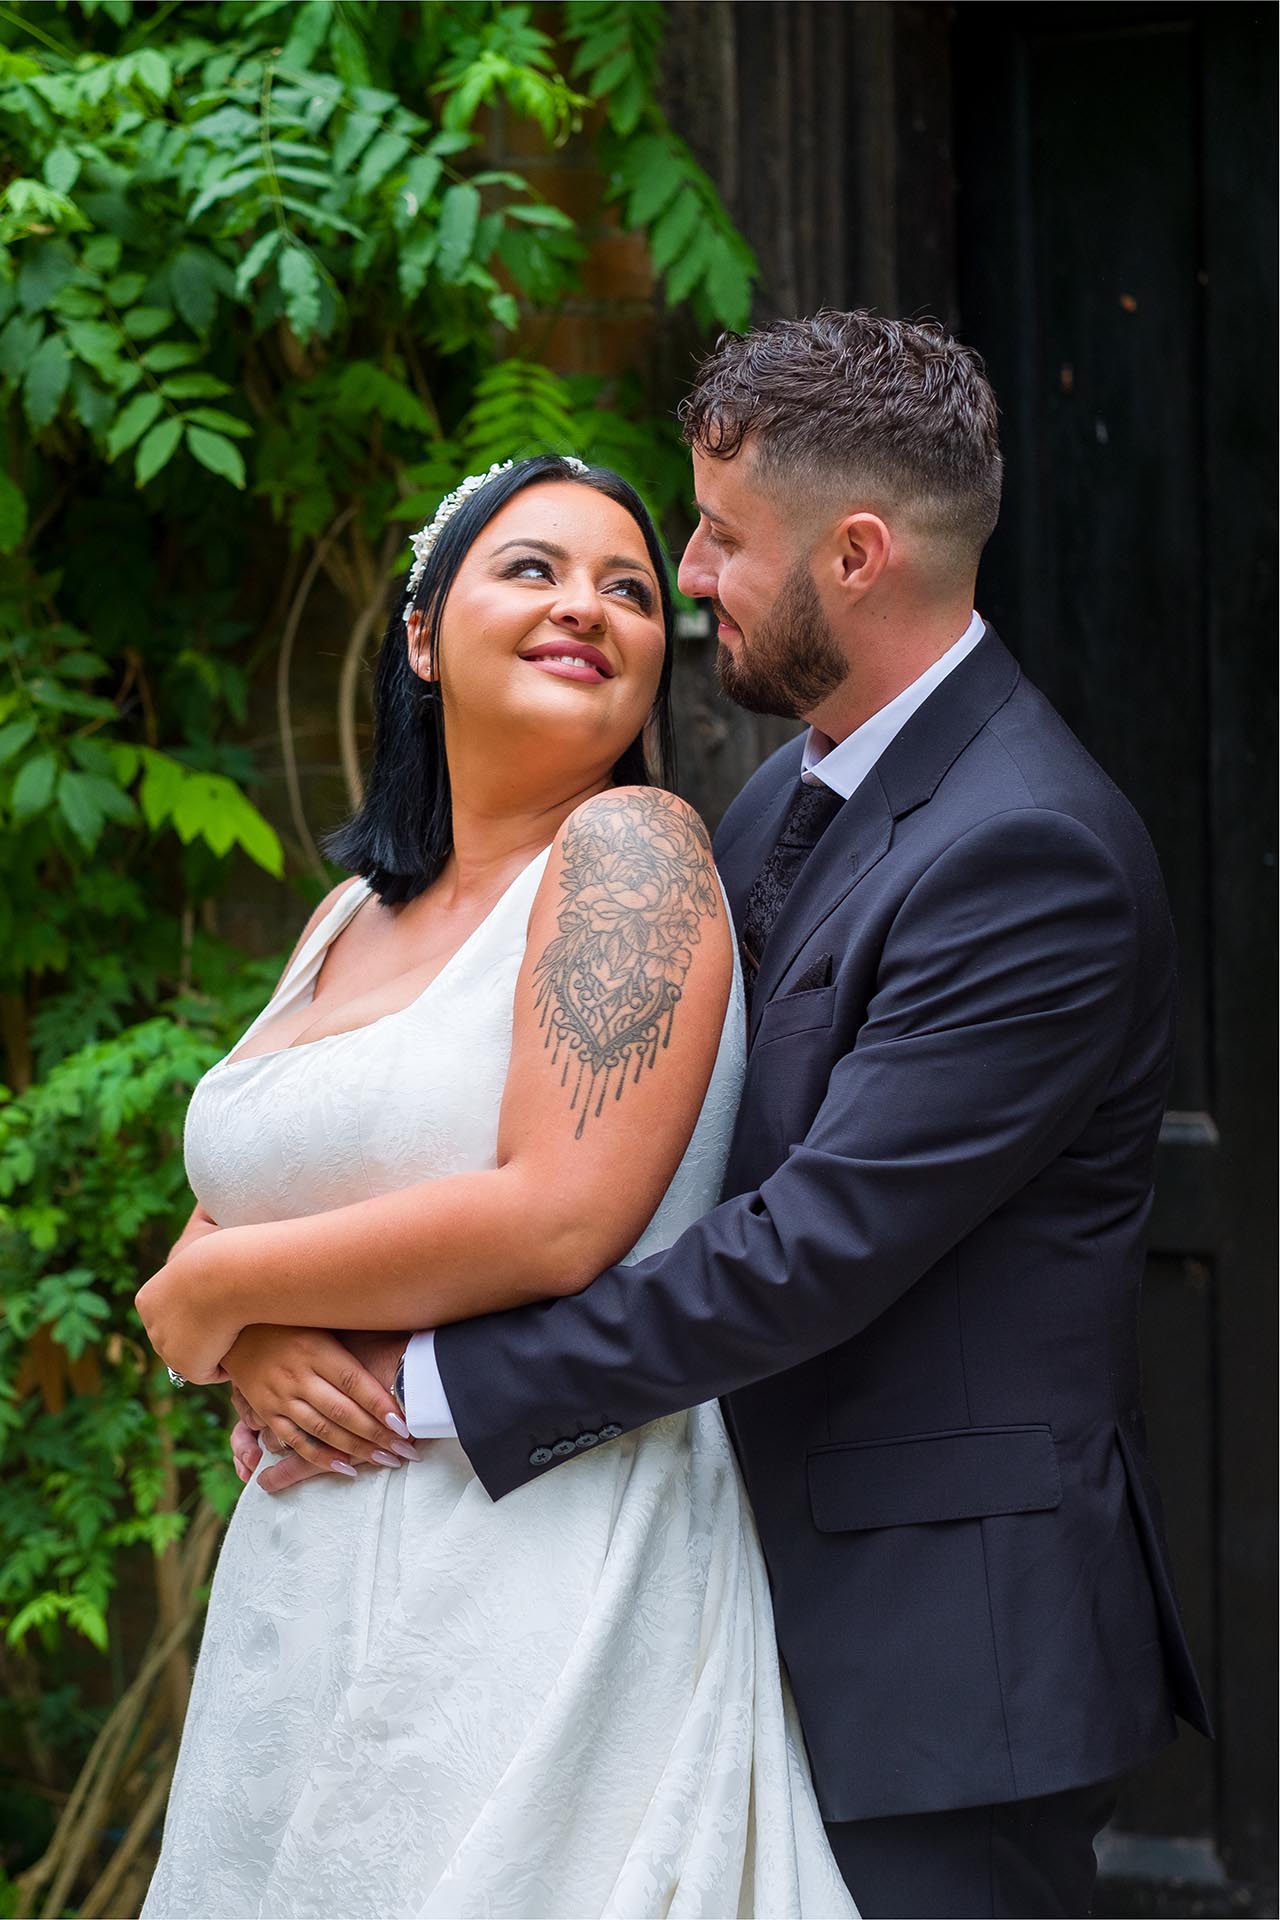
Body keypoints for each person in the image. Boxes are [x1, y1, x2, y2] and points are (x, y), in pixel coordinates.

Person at [224, 313, 1212, 1920]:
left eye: (720, 539)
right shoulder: (777, 796)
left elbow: (801, 1252)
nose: (687, 576)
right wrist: (267, 1316)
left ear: (859, 556)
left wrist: (402, 1393)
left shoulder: (1034, 853)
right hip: (704, 1602)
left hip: (933, 1661)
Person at [136, 454, 856, 1919]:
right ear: (421, 634)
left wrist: (206, 1293)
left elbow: (559, 1214)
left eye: (632, 589)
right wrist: (254, 1331)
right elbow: (261, 1182)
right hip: (303, 1582)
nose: (587, 606)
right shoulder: (349, 914)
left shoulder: (631, 851)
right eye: (531, 568)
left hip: (532, 1569)